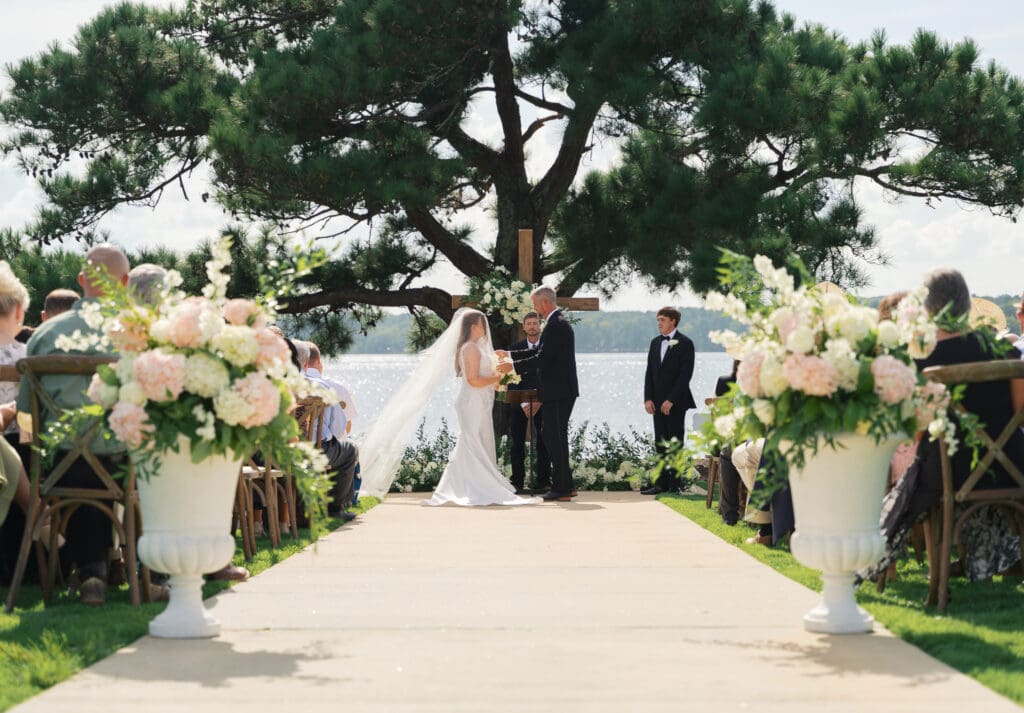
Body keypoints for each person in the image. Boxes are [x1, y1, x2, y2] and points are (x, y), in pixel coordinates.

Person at [866, 269, 1024, 582]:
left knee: (904, 469)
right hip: (1012, 465)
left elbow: (916, 430)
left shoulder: (919, 360)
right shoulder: (1004, 350)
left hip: (948, 471)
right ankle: (995, 560)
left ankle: (883, 559)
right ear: (967, 305)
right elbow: (1020, 412)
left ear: (926, 309)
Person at [15, 244, 132, 606]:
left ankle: (93, 573)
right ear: (125, 282)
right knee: (131, 461)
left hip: (58, 468)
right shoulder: (135, 333)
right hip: (121, 464)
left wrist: (37, 457)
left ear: (81, 280)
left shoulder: (44, 335)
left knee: (79, 462)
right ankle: (140, 571)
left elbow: (25, 414)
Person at [413, 310, 537, 506]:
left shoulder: (477, 348)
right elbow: (473, 380)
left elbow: (485, 379)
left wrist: (501, 380)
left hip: (482, 402)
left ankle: (476, 483)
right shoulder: (470, 348)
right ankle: (476, 485)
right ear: (473, 327)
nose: (485, 327)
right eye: (482, 324)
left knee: (480, 439)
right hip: (472, 402)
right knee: (473, 441)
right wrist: (499, 377)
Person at [497, 286, 580, 501]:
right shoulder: (555, 324)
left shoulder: (556, 325)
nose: (535, 309)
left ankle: (561, 488)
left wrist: (513, 367)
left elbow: (542, 359)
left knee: (554, 437)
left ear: (544, 303)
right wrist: (510, 354)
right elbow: (537, 351)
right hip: (559, 391)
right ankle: (566, 486)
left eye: (535, 304)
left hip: (559, 392)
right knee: (556, 437)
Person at [641, 307, 696, 495]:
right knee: (660, 442)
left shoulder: (686, 343)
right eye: (658, 320)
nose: (659, 323)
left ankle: (676, 484)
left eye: (662, 320)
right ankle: (661, 483)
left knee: (675, 442)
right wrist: (647, 398)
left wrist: (671, 400)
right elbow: (649, 372)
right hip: (656, 402)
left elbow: (685, 376)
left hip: (677, 402)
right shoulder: (655, 343)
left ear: (673, 321)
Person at [303, 341, 359, 520]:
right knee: (349, 450)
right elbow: (339, 427)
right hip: (316, 450)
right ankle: (335, 508)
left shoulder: (282, 385)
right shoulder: (322, 386)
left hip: (286, 449)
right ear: (316, 361)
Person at [506, 312, 550, 495]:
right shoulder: (515, 349)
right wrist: (524, 402)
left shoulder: (547, 347)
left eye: (535, 323)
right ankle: (517, 481)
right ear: (523, 327)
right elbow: (511, 377)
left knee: (544, 442)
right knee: (517, 443)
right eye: (528, 324)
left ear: (540, 326)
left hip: (544, 401)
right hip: (519, 403)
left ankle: (544, 481)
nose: (532, 326)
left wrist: (539, 399)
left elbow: (550, 376)